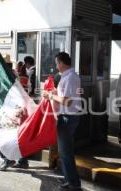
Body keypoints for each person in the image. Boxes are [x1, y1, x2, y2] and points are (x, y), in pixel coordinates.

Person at [43, 52, 82, 190]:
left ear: (62, 63)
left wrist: (50, 96)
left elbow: (67, 101)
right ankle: (70, 180)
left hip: (67, 117)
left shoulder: (70, 77)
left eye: (57, 63)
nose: (56, 66)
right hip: (67, 116)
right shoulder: (68, 76)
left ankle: (73, 183)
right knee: (65, 152)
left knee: (65, 153)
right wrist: (54, 92)